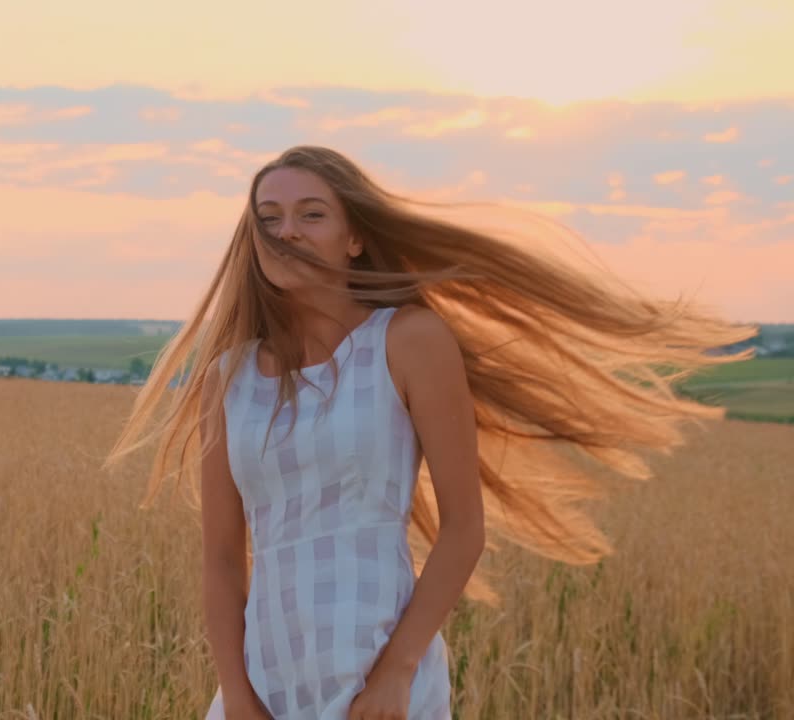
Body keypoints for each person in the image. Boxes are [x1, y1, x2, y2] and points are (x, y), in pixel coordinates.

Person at [103, 146, 754, 719]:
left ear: (354, 236)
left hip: (375, 670)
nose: (286, 232)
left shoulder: (408, 341)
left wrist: (396, 674)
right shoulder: (228, 377)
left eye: (311, 214)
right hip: (266, 680)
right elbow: (221, 556)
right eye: (268, 218)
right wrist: (237, 695)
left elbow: (463, 529)